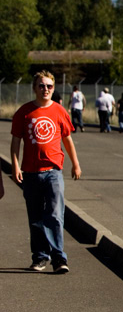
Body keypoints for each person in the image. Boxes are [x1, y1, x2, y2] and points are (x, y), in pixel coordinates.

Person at [10, 71, 82, 273]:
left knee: (55, 215)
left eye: (49, 86)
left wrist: (75, 164)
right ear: (35, 88)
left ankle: (59, 258)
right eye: (41, 86)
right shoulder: (24, 112)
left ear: (53, 88)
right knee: (35, 218)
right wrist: (15, 165)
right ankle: (40, 257)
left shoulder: (59, 111)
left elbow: (67, 139)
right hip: (31, 173)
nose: (46, 89)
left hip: (53, 172)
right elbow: (15, 141)